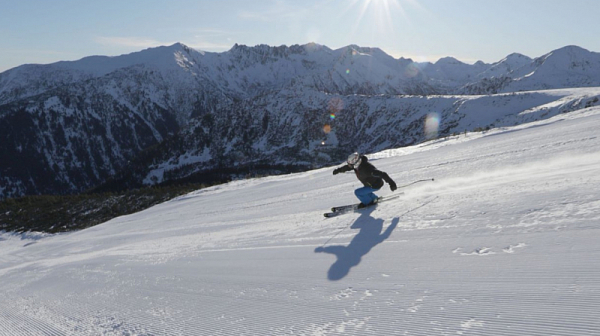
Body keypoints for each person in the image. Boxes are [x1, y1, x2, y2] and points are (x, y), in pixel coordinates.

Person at [333, 152, 397, 208]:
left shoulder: (367, 169)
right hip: (370, 184)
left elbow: (383, 174)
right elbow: (347, 167)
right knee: (364, 190)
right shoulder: (358, 165)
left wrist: (392, 183)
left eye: (350, 164)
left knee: (358, 192)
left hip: (375, 185)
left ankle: (369, 202)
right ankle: (374, 198)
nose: (349, 166)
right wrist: (338, 170)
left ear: (356, 163)